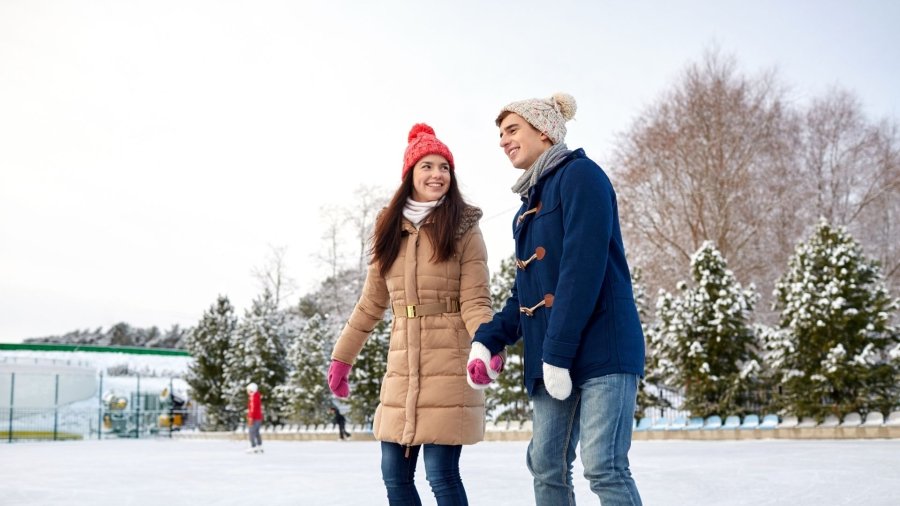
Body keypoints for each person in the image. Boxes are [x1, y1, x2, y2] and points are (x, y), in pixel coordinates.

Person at [466, 93, 645, 505]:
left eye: (512, 129)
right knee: (546, 465)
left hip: (601, 347)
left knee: (604, 466)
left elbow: (582, 269)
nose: (503, 140)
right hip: (553, 357)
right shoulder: (527, 208)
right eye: (500, 134)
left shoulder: (581, 176)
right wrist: (489, 339)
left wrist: (558, 352)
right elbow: (525, 293)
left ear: (544, 131)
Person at [328, 123, 503, 506]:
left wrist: (488, 345)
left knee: (441, 475)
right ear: (410, 173)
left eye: (444, 167)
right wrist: (342, 357)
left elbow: (476, 300)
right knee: (394, 476)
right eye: (427, 166)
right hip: (402, 368)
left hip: (449, 365)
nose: (437, 174)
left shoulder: (464, 227)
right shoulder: (389, 228)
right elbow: (371, 303)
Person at [246, 382, 264, 454]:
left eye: (248, 390)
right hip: (258, 417)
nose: (247, 391)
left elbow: (252, 409)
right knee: (256, 432)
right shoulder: (256, 396)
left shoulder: (253, 397)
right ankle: (259, 446)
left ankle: (253, 447)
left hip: (254, 418)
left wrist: (251, 417)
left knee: (251, 432)